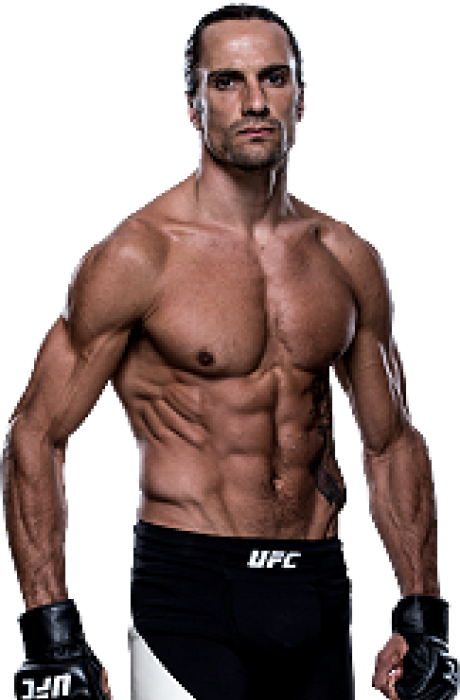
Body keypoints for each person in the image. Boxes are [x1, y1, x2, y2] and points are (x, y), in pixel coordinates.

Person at [2, 3, 458, 700]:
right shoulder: (140, 257)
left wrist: (422, 614)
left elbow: (391, 441)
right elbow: (35, 434)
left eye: (273, 78)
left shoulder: (345, 258)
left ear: (301, 98)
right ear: (193, 106)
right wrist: (51, 633)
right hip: (191, 592)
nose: (254, 102)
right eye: (227, 81)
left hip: (318, 585)